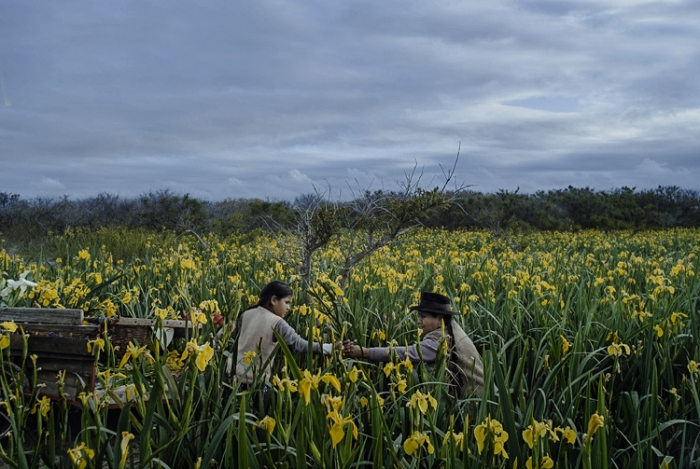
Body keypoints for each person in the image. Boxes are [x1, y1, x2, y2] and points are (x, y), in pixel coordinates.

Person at [343, 292, 485, 397]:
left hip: (477, 401)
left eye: (423, 317)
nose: (418, 321)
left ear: (440, 319)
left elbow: (409, 353)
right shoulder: (452, 328)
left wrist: (363, 352)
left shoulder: (442, 341)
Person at [226, 280, 338, 386]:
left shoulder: (246, 313)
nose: (288, 308)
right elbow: (300, 345)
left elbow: (223, 334)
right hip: (256, 381)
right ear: (274, 300)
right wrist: (331, 348)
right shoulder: (277, 323)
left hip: (232, 375)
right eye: (287, 302)